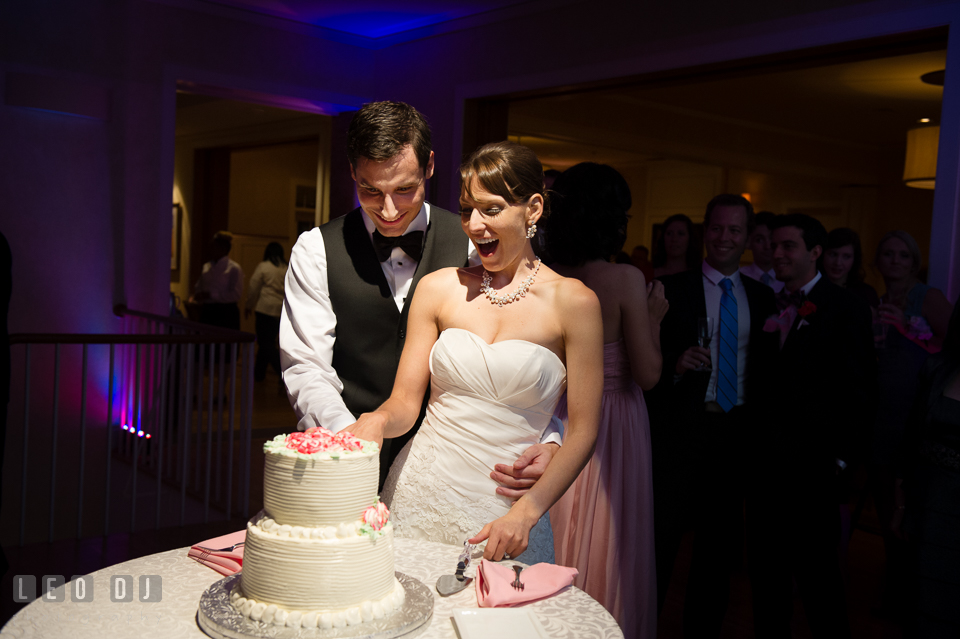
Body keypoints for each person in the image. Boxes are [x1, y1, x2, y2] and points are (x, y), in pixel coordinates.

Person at [280, 102, 560, 491]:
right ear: (351, 173)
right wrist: (353, 437)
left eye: (405, 189)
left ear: (429, 166)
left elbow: (527, 353)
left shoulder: (474, 241)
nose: (390, 209)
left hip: (447, 469)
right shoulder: (315, 249)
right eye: (370, 191)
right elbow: (306, 366)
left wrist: (552, 438)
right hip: (340, 455)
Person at [349, 141, 603, 564]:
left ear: (533, 209)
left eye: (492, 209)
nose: (475, 224)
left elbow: (583, 432)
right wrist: (378, 420)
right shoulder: (437, 288)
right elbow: (406, 403)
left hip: (507, 509)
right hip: (417, 492)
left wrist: (527, 512)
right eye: (467, 210)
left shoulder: (575, 304)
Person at [543, 163, 666, 638]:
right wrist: (654, 317)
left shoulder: (548, 273)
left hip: (556, 416)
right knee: (611, 536)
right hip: (613, 421)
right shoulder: (623, 279)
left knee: (557, 522)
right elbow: (650, 374)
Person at [649, 193, 777, 637]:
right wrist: (676, 364)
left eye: (735, 230)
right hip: (682, 431)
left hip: (734, 433)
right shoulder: (673, 289)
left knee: (717, 550)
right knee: (662, 541)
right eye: (718, 228)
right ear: (708, 231)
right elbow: (643, 361)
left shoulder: (762, 298)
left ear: (746, 237)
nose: (725, 237)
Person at [747, 213, 876, 638]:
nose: (776, 253)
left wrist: (839, 462)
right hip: (768, 469)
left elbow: (859, 390)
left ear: (814, 252)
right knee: (768, 583)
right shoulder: (768, 302)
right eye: (773, 245)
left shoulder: (846, 308)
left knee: (820, 583)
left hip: (814, 471)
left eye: (788, 246)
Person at [870, 230, 953, 613]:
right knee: (886, 502)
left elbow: (953, 350)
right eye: (888, 254)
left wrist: (907, 328)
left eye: (904, 255)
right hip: (883, 413)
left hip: (917, 413)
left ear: (915, 260)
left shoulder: (927, 297)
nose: (895, 261)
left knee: (913, 504)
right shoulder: (878, 300)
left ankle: (918, 594)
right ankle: (896, 586)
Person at [895, 302, 960, 637]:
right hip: (929, 505)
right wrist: (903, 506)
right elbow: (911, 441)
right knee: (922, 603)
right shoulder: (938, 367)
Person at [245, 242, 287, 383]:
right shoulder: (286, 268)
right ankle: (259, 375)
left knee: (265, 343)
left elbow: (253, 286)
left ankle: (282, 374)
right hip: (279, 310)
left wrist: (248, 305)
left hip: (264, 309)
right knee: (267, 343)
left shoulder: (264, 266)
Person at [192, 231, 243, 330]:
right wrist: (198, 294)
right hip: (208, 311)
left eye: (213, 247)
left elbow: (236, 294)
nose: (210, 250)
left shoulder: (233, 268)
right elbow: (199, 285)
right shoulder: (206, 266)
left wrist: (211, 295)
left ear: (223, 249)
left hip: (225, 313)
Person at [821, 227, 880, 308]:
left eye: (846, 256)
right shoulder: (810, 288)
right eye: (833, 254)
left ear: (855, 259)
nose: (838, 263)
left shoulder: (866, 294)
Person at [740, 211, 784, 293]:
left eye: (771, 238)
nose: (767, 246)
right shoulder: (739, 277)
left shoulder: (788, 278)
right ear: (748, 242)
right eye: (759, 240)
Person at [652, 214, 700, 278]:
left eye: (681, 233)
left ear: (690, 238)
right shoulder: (646, 274)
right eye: (669, 233)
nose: (674, 239)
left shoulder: (699, 277)